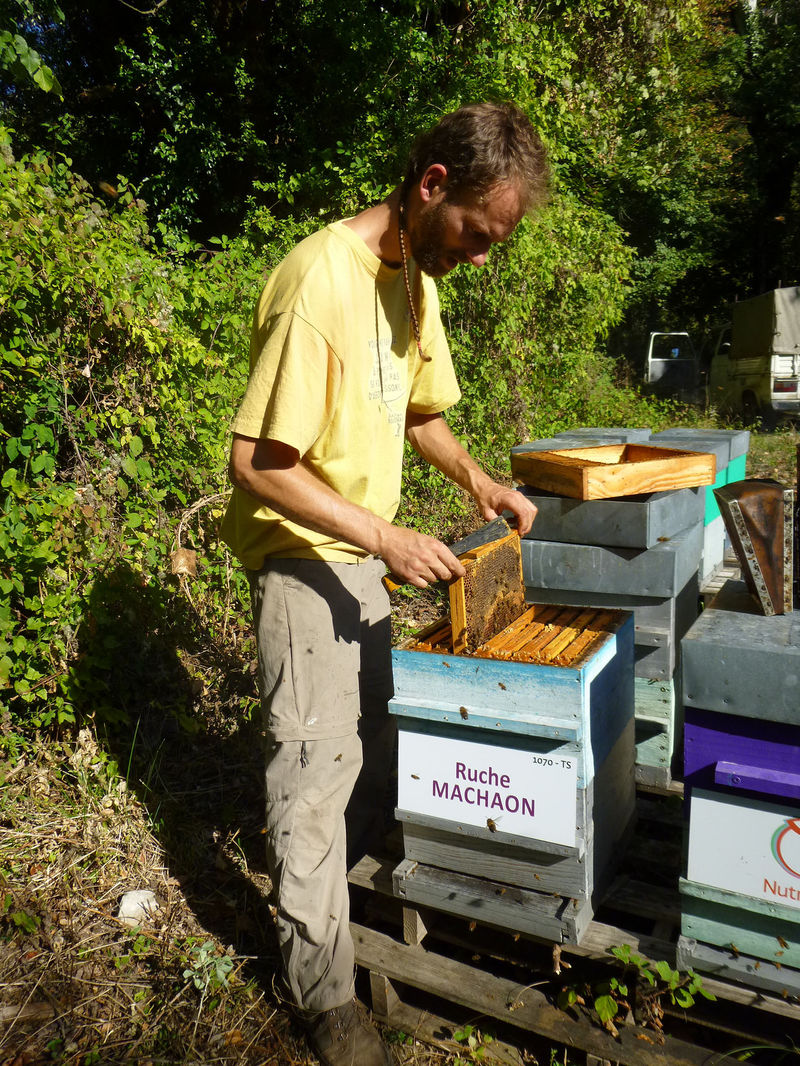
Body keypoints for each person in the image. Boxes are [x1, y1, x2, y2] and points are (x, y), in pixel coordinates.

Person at [220, 101, 548, 1066]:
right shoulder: (319, 279)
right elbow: (257, 462)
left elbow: (416, 411)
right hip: (303, 562)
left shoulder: (417, 278)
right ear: (430, 184)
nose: (480, 258)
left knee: (366, 754)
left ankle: (349, 927)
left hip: (364, 557)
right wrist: (384, 536)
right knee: (312, 785)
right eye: (477, 236)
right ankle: (321, 997)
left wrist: (479, 480)